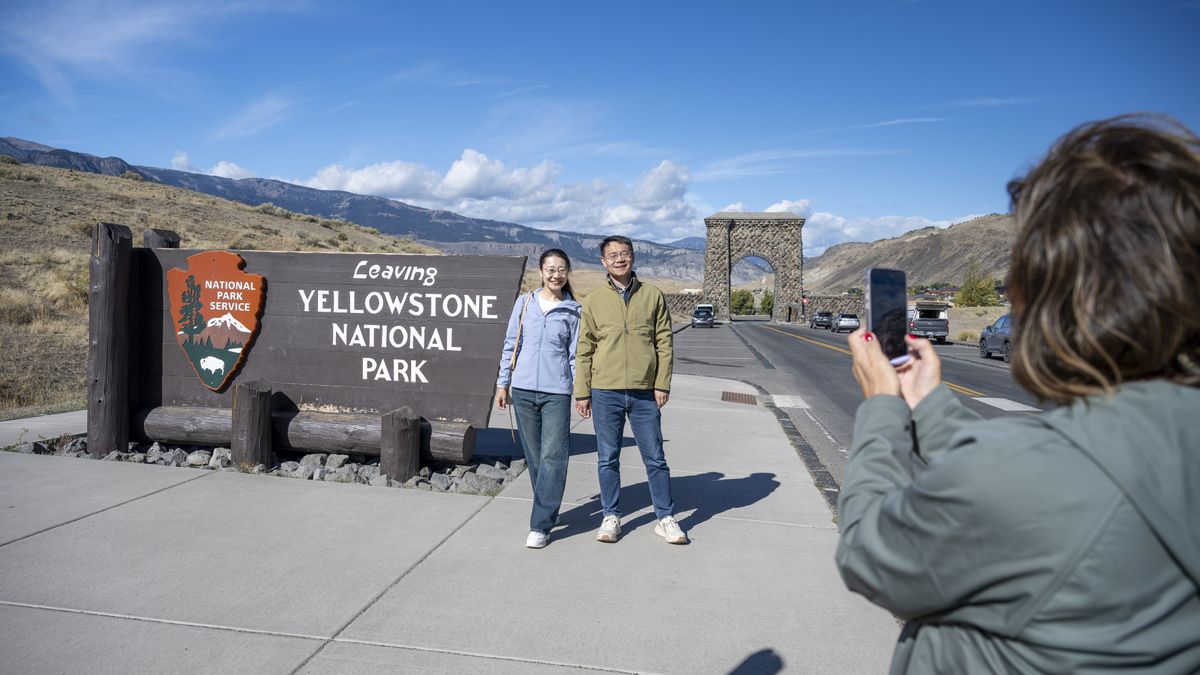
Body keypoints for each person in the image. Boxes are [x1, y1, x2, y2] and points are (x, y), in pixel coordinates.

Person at [837, 114, 1200, 673]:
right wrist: (930, 404)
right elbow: (1075, 466)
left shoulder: (1028, 481)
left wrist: (883, 411)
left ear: (1061, 293)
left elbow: (869, 552)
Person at [574, 236, 688, 545]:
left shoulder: (652, 295)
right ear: (603, 261)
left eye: (624, 253)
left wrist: (662, 383)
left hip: (644, 393)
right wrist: (582, 391)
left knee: (655, 458)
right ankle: (611, 516)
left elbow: (664, 342)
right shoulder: (594, 300)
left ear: (633, 257)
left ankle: (665, 517)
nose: (619, 259)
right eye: (613, 255)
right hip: (604, 391)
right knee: (607, 457)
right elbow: (584, 349)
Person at [496, 249, 582, 549]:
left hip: (557, 392)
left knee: (553, 457)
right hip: (521, 390)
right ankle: (547, 506)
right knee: (534, 457)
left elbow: (575, 357)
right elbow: (511, 345)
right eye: (550, 269)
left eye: (561, 269)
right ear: (541, 272)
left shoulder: (574, 311)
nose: (556, 274)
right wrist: (502, 384)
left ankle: (540, 524)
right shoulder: (525, 303)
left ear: (567, 272)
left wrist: (581, 391)